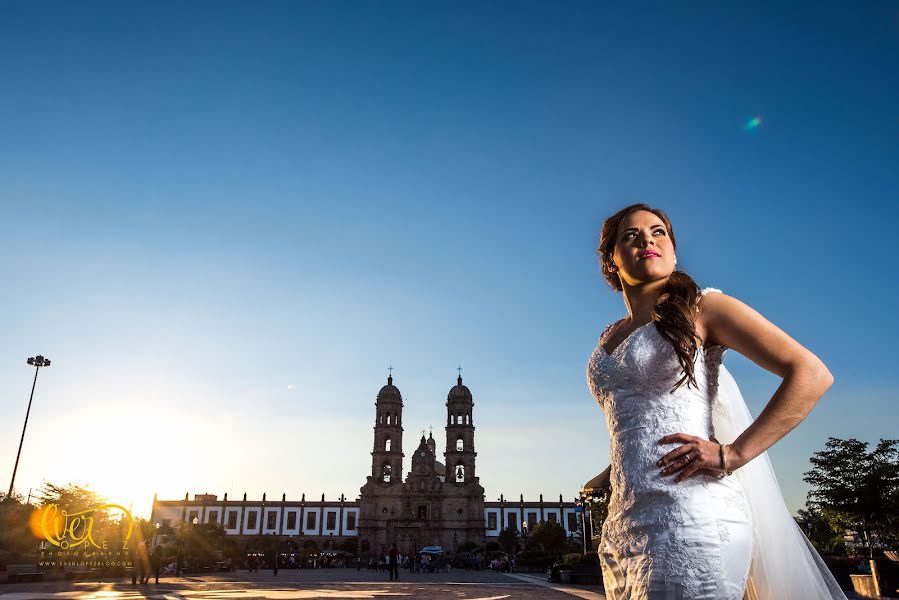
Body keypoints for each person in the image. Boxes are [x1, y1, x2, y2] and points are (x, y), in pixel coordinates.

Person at [586, 203, 847, 599]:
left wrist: (733, 454)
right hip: (625, 524)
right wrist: (611, 472)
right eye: (631, 235)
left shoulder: (704, 308)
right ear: (611, 261)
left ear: (673, 252)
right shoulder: (610, 335)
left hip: (691, 518)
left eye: (658, 233)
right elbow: (644, 415)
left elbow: (811, 373)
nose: (647, 240)